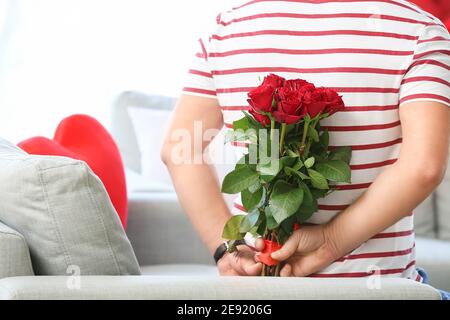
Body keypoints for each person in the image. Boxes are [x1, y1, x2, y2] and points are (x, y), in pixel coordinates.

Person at [161, 0, 450, 293]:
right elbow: (423, 167)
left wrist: (226, 251)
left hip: (257, 292)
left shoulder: (228, 28)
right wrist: (332, 240)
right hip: (380, 290)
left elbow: (179, 150)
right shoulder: (419, 30)